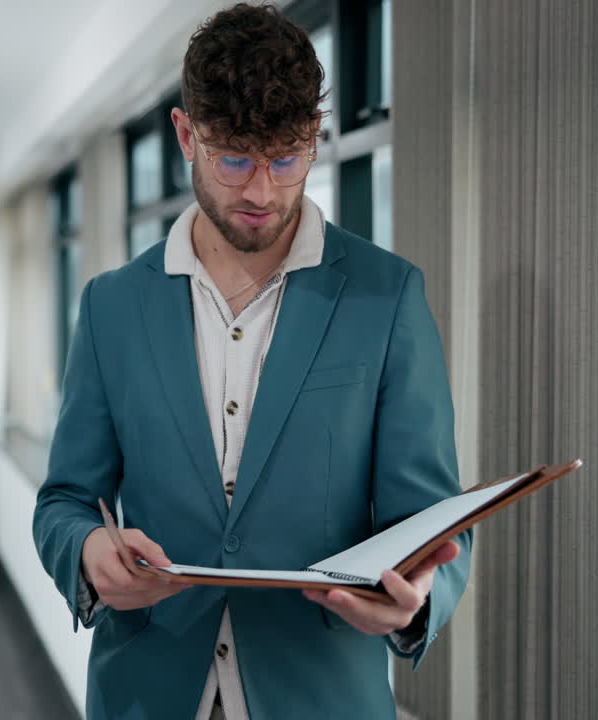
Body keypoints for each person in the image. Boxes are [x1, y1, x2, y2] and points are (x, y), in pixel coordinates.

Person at [33, 4, 470, 718]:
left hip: (321, 691)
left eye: (287, 158)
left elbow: (426, 516)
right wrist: (85, 552)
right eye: (234, 158)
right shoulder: (112, 306)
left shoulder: (387, 297)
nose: (262, 191)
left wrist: (416, 600)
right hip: (146, 691)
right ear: (185, 135)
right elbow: (64, 502)